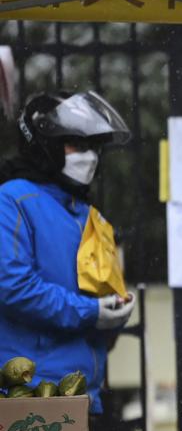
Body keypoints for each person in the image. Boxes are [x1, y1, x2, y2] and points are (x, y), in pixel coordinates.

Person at [0, 91, 135, 412]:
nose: (88, 156)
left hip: (86, 393)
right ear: (45, 146)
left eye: (94, 147)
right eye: (76, 144)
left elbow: (100, 290)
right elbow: (13, 286)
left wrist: (113, 312)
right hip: (30, 392)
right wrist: (92, 312)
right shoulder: (13, 200)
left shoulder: (90, 215)